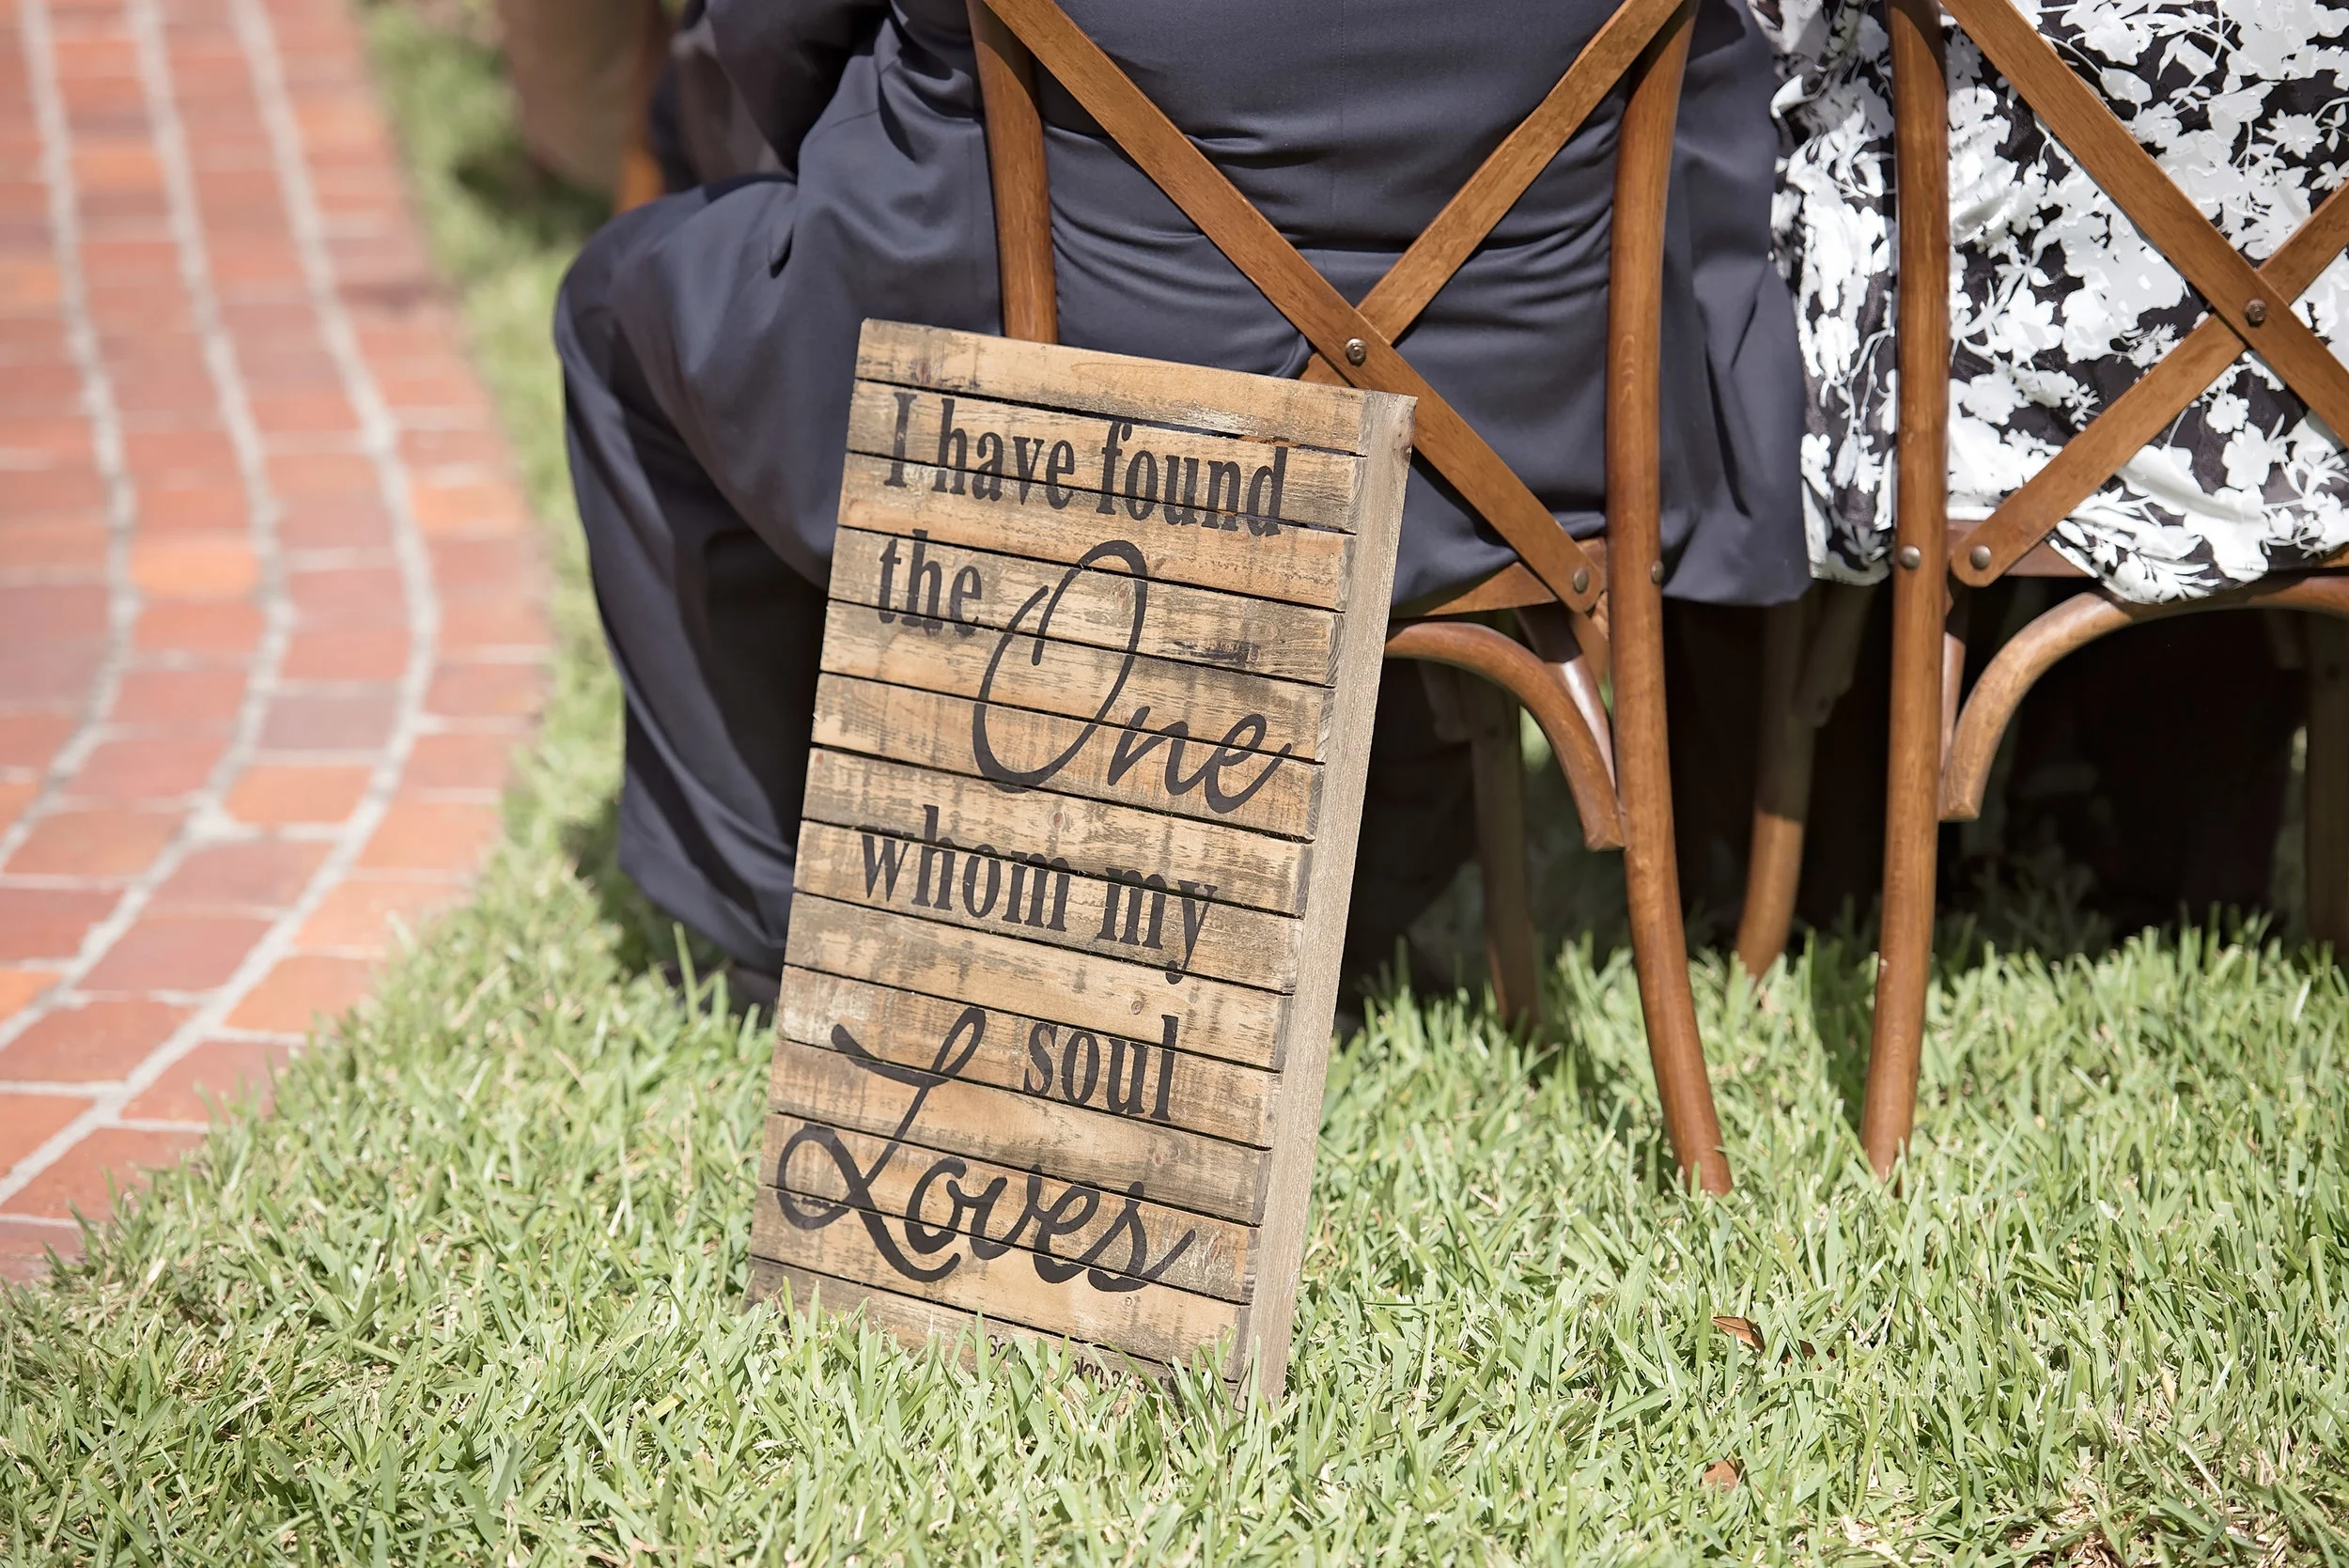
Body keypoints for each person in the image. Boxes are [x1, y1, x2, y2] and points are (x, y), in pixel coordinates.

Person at [555, 0, 1808, 997]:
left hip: (1090, 417)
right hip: (1518, 456)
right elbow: (1720, 95)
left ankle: (784, 937)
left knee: (627, 301)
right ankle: (1325, 919)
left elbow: (779, 41)